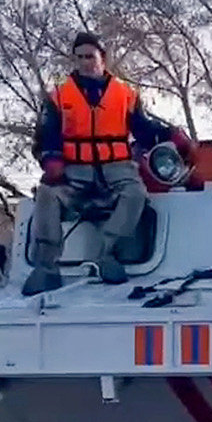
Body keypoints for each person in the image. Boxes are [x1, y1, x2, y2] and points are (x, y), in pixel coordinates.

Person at [24, 31, 195, 296]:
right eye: (79, 57)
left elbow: (143, 128)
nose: (85, 62)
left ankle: (108, 254)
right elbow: (46, 134)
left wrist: (171, 136)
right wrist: (51, 159)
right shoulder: (58, 96)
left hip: (117, 170)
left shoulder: (125, 94)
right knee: (46, 194)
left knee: (136, 194)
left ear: (102, 58)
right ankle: (47, 268)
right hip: (74, 173)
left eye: (90, 56)